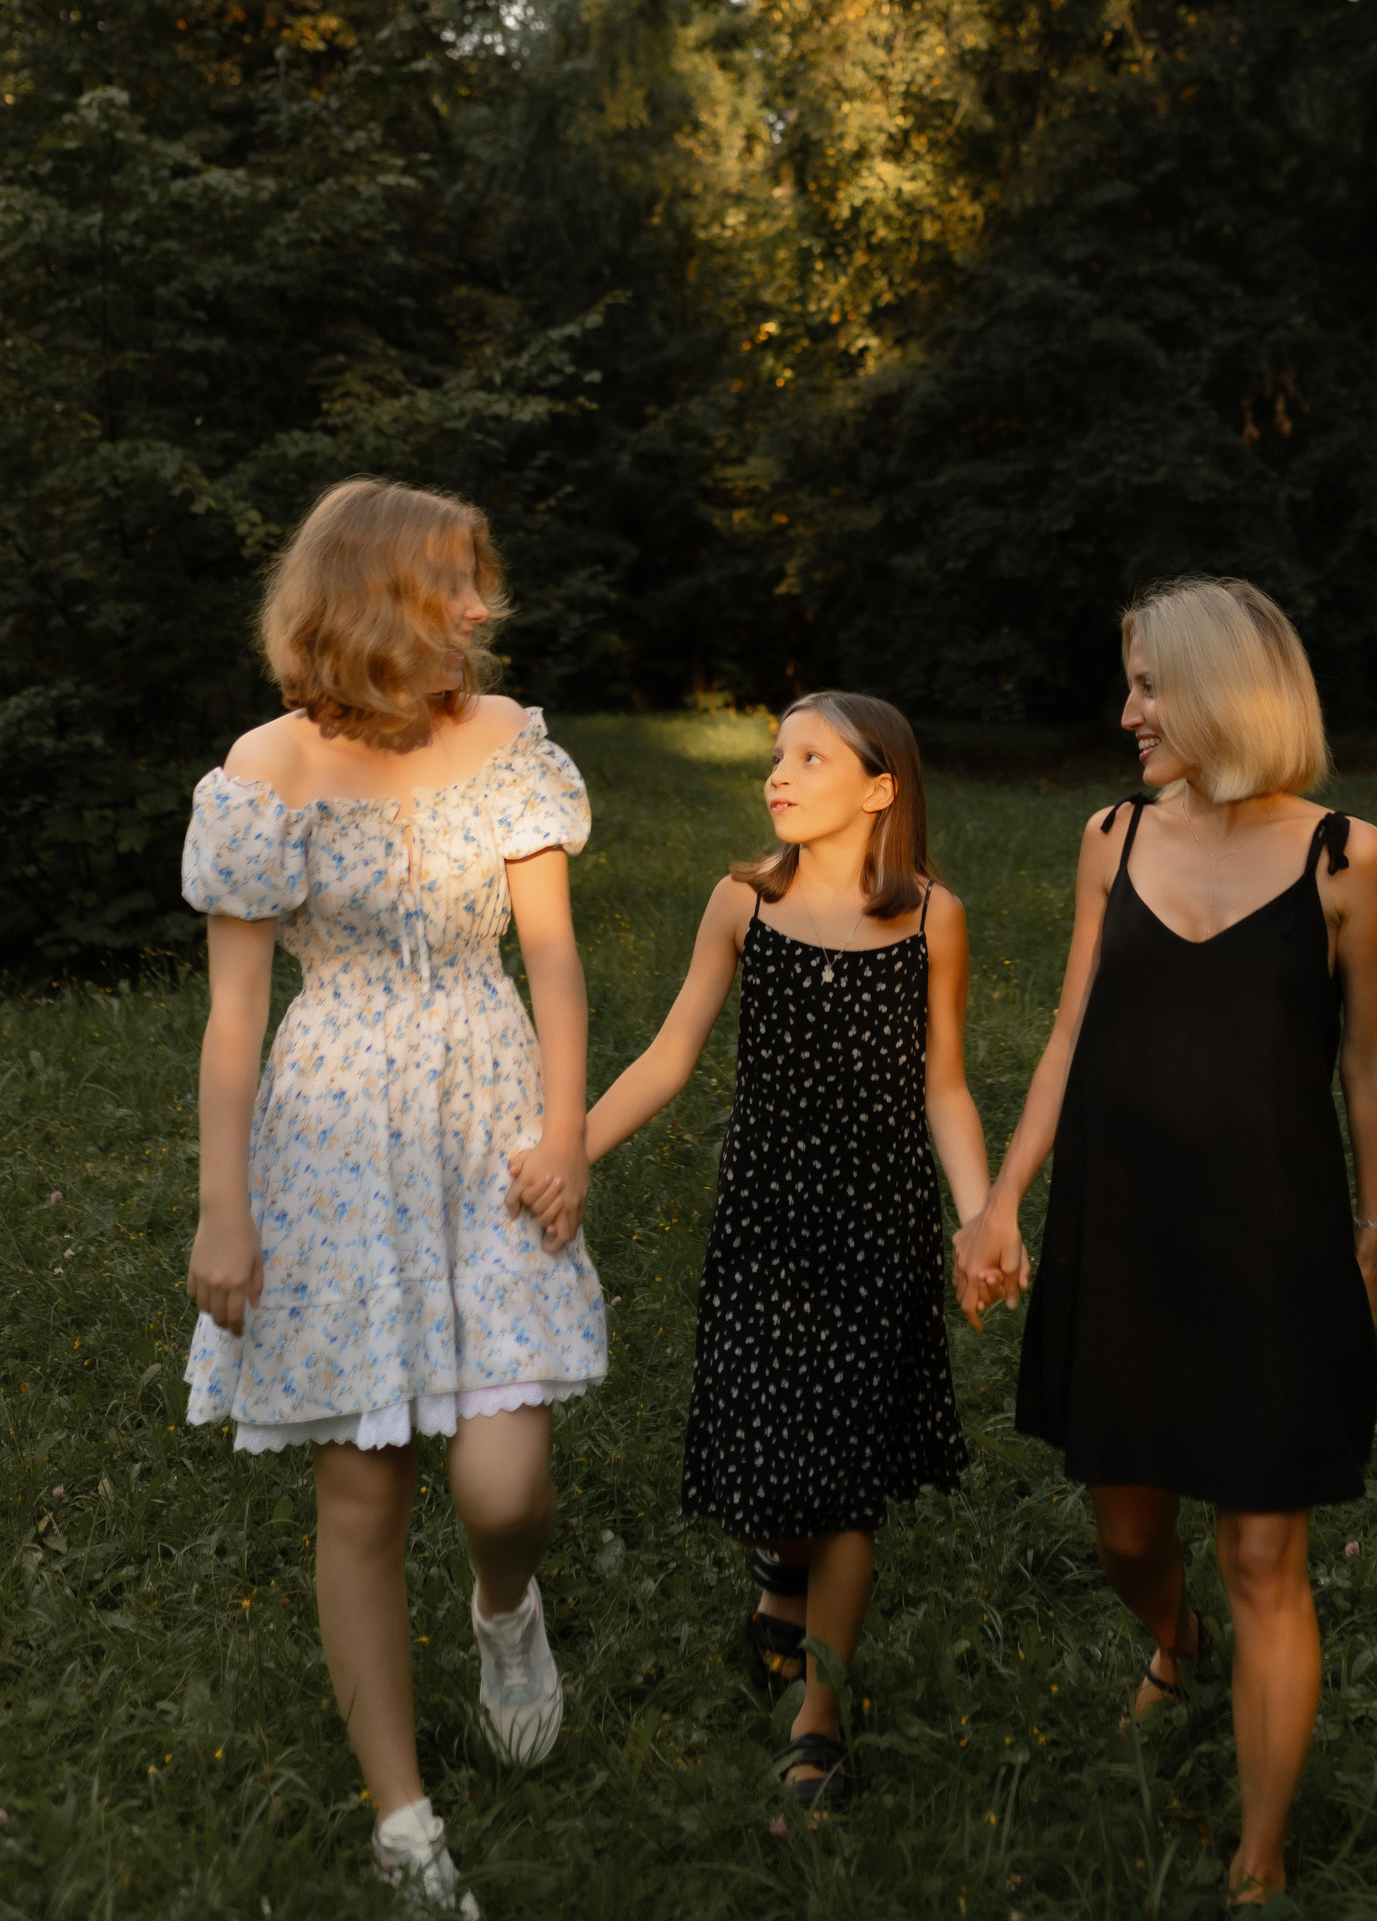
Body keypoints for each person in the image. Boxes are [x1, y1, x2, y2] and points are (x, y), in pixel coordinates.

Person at [182, 478, 606, 1917]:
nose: (484, 606)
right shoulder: (268, 767)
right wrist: (224, 1208)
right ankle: (402, 1818)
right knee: (363, 1493)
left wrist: (566, 1132)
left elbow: (552, 959)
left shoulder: (505, 740)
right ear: (373, 596)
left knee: (503, 1483)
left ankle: (504, 1604)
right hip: (333, 1137)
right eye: (454, 583)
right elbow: (233, 1021)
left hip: (491, 1118)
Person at [954, 576, 1377, 1909]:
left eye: (1149, 686)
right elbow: (1069, 1034)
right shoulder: (1112, 836)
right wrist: (1001, 1199)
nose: (1127, 712)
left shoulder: (1347, 859)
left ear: (1219, 692)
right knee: (1128, 1533)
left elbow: (1368, 1065)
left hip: (1274, 1244)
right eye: (1132, 684)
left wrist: (1370, 1235)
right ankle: (1174, 1638)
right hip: (1125, 1231)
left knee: (1265, 1554)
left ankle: (1258, 1858)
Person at [513, 690, 988, 1816]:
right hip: (766, 1217)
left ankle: (821, 1717)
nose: (780, 772)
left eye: (812, 757)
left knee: (849, 1474)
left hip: (878, 1224)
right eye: (778, 754)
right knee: (771, 1435)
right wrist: (571, 1151)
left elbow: (946, 1085)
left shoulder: (932, 920)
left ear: (880, 789)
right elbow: (670, 1053)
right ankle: (780, 1571)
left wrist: (978, 1216)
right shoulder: (745, 902)